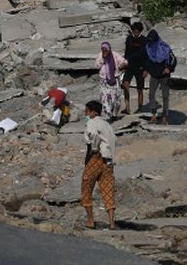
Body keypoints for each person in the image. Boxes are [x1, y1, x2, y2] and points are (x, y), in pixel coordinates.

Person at [80, 100, 117, 229]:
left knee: (86, 187)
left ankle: (90, 220)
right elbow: (113, 141)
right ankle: (112, 222)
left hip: (96, 158)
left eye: (87, 111)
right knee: (108, 190)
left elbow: (93, 135)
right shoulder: (107, 125)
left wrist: (94, 149)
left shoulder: (92, 122)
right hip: (108, 161)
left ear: (93, 112)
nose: (86, 113)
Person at [144, 29, 176, 124]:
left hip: (164, 75)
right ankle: (154, 116)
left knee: (165, 96)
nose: (150, 42)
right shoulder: (148, 47)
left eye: (151, 40)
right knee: (151, 94)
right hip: (154, 74)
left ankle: (165, 117)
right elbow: (147, 60)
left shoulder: (164, 47)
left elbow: (173, 59)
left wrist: (169, 68)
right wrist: (146, 69)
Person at [121, 21, 148, 116]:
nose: (136, 33)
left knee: (140, 89)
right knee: (125, 85)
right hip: (129, 66)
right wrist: (124, 64)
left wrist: (146, 69)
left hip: (140, 67)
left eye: (137, 32)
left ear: (140, 31)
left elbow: (147, 55)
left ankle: (140, 108)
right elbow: (126, 52)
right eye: (134, 31)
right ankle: (127, 107)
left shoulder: (144, 40)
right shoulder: (129, 39)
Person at [95, 41, 127, 120]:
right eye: (103, 50)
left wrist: (119, 67)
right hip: (105, 81)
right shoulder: (100, 56)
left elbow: (125, 62)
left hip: (115, 80)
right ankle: (107, 117)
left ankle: (114, 114)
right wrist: (103, 58)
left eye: (106, 50)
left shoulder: (115, 55)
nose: (105, 52)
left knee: (116, 99)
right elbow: (97, 66)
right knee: (105, 99)